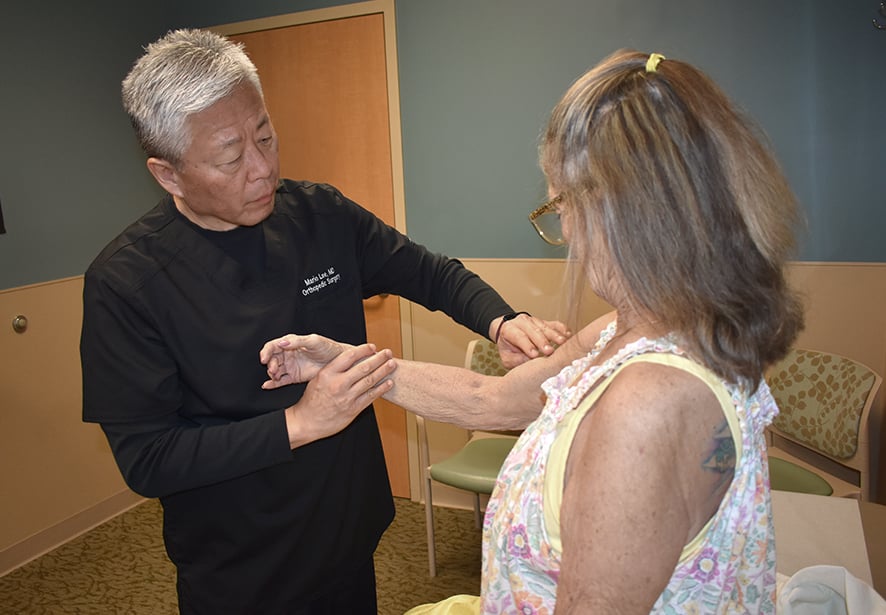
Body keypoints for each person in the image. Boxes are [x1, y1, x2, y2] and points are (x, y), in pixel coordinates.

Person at [261, 50, 805, 613]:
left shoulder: (648, 405)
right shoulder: (638, 326)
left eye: (562, 200)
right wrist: (345, 364)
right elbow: (489, 398)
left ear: (622, 208)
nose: (565, 228)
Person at [79, 28, 568, 614]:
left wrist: (501, 321)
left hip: (347, 530)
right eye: (232, 157)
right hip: (241, 562)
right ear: (168, 174)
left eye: (266, 136)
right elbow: (149, 458)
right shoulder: (127, 282)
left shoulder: (319, 214)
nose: (263, 168)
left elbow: (431, 274)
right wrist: (300, 421)